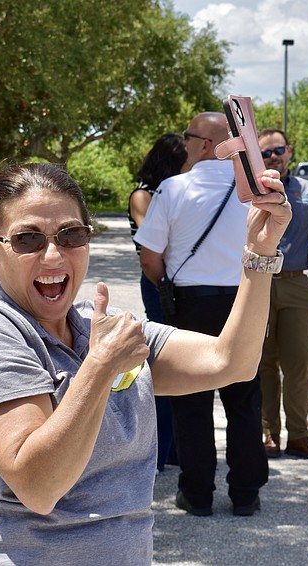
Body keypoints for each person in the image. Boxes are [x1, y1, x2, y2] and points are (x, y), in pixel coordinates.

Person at [0, 161, 290, 564]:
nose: (53, 255)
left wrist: (259, 252)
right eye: (27, 239)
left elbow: (231, 363)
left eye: (71, 234)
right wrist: (100, 367)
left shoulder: (101, 327)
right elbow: (39, 486)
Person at [134, 112, 270, 518]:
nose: (185, 145)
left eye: (189, 137)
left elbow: (150, 258)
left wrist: (167, 287)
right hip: (241, 301)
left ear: (206, 145)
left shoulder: (173, 189)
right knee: (245, 399)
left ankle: (197, 494)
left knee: (191, 401)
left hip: (190, 303)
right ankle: (246, 493)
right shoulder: (251, 192)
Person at [257, 128, 308, 461]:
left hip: (298, 285)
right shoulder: (250, 192)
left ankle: (299, 435)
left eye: (279, 150)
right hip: (260, 281)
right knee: (263, 363)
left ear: (289, 151)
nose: (274, 157)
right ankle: (268, 434)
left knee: (298, 364)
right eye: (266, 153)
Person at [128, 133, 187, 472]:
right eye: (185, 162)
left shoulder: (172, 194)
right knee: (163, 358)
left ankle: (177, 446)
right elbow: (154, 241)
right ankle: (163, 448)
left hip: (175, 281)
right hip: (157, 283)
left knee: (179, 358)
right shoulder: (144, 195)